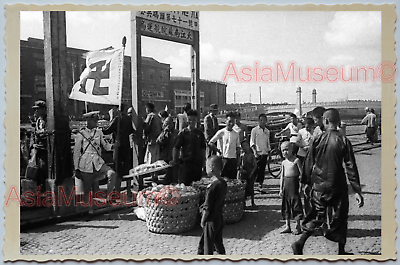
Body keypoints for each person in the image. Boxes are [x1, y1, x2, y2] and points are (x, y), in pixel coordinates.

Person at [291, 108, 364, 255]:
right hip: (338, 185)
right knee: (341, 217)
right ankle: (341, 251)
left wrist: (305, 183)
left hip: (319, 185)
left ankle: (300, 243)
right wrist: (357, 190)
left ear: (325, 121)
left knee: (317, 216)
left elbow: (308, 162)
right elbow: (351, 166)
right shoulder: (344, 140)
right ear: (338, 122)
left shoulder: (317, 139)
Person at [73, 111, 117, 212]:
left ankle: (108, 198)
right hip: (85, 164)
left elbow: (106, 146)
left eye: (96, 120)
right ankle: (88, 210)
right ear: (88, 121)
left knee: (112, 174)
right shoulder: (81, 134)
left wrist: (114, 146)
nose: (96, 122)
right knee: (87, 191)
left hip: (98, 162)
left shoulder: (99, 132)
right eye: (94, 120)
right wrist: (76, 168)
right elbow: (76, 153)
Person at [197, 155, 227, 255]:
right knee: (218, 242)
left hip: (211, 220)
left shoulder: (212, 186)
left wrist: (203, 219)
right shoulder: (223, 183)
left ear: (211, 167)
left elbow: (207, 206)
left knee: (208, 245)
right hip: (219, 217)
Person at [102, 103, 135, 193]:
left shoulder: (117, 119)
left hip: (118, 147)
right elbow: (131, 131)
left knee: (117, 168)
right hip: (126, 145)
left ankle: (117, 190)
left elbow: (107, 131)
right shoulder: (128, 119)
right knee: (127, 167)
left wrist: (99, 129)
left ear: (117, 109)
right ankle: (128, 189)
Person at [172, 109, 206, 186]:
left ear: (196, 120)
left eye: (193, 120)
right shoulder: (183, 133)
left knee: (197, 186)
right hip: (186, 164)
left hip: (197, 164)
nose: (191, 122)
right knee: (184, 186)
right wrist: (175, 160)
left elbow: (203, 149)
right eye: (190, 120)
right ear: (187, 120)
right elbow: (176, 148)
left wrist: (203, 163)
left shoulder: (200, 134)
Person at [279, 141, 303, 235]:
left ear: (291, 150)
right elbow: (282, 176)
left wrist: (301, 186)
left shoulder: (296, 161)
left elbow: (301, 175)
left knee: (296, 205)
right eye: (282, 150)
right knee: (286, 205)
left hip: (294, 185)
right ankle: (287, 225)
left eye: (286, 150)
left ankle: (298, 225)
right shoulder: (284, 162)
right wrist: (281, 188)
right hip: (286, 186)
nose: (284, 152)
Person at [208, 112, 241, 180]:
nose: (231, 124)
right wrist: (218, 151)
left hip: (233, 159)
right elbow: (211, 142)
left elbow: (238, 148)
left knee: (232, 180)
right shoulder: (221, 132)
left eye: (233, 122)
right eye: (229, 121)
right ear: (226, 121)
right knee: (223, 179)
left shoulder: (236, 134)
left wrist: (238, 161)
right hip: (223, 159)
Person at [250, 113, 271, 191]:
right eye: (261, 120)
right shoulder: (254, 130)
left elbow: (268, 142)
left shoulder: (267, 131)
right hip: (257, 153)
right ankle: (251, 184)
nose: (262, 122)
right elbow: (252, 142)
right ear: (258, 121)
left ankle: (260, 185)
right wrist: (254, 152)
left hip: (264, 152)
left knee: (262, 170)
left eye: (264, 120)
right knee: (255, 169)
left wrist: (269, 152)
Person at [30, 100, 48, 192]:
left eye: (38, 109)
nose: (36, 112)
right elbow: (35, 134)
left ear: (43, 109)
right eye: (35, 110)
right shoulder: (38, 120)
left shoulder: (48, 120)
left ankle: (44, 189)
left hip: (45, 149)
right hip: (38, 148)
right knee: (37, 170)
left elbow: (46, 133)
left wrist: (38, 133)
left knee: (44, 169)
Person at [156, 116, 178, 184]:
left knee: (174, 176)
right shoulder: (165, 133)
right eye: (166, 123)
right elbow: (158, 141)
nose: (168, 125)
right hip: (167, 157)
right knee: (167, 177)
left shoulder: (176, 132)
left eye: (169, 123)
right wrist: (164, 132)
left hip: (174, 157)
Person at [237, 140, 257, 208]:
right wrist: (241, 170)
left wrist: (252, 172)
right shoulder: (242, 156)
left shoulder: (251, 155)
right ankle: (244, 203)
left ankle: (252, 202)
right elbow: (239, 165)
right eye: (243, 146)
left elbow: (255, 165)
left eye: (246, 146)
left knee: (251, 188)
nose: (245, 148)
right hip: (244, 174)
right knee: (244, 189)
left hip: (250, 173)